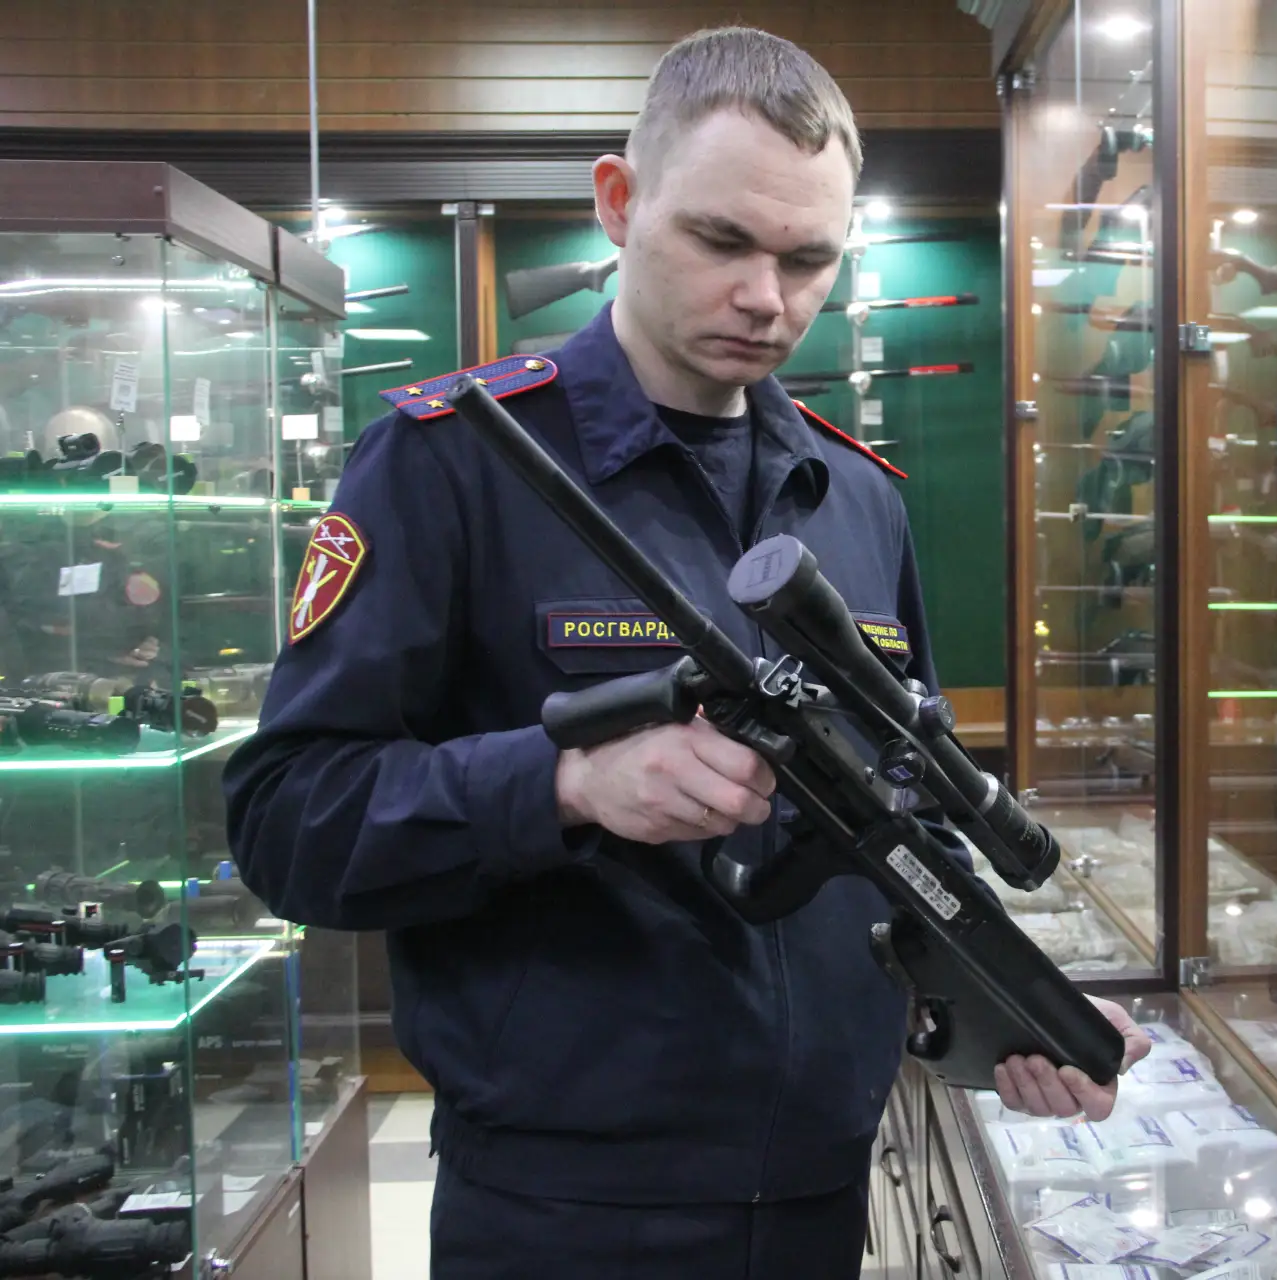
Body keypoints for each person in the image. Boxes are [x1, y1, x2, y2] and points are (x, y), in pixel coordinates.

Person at [222, 26, 1149, 1280]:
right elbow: (287, 817)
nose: (769, 298)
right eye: (723, 241)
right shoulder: (454, 462)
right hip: (563, 1207)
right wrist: (566, 784)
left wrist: (1002, 1011)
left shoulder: (856, 496)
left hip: (823, 1183)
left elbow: (905, 812)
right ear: (619, 201)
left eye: (809, 259)